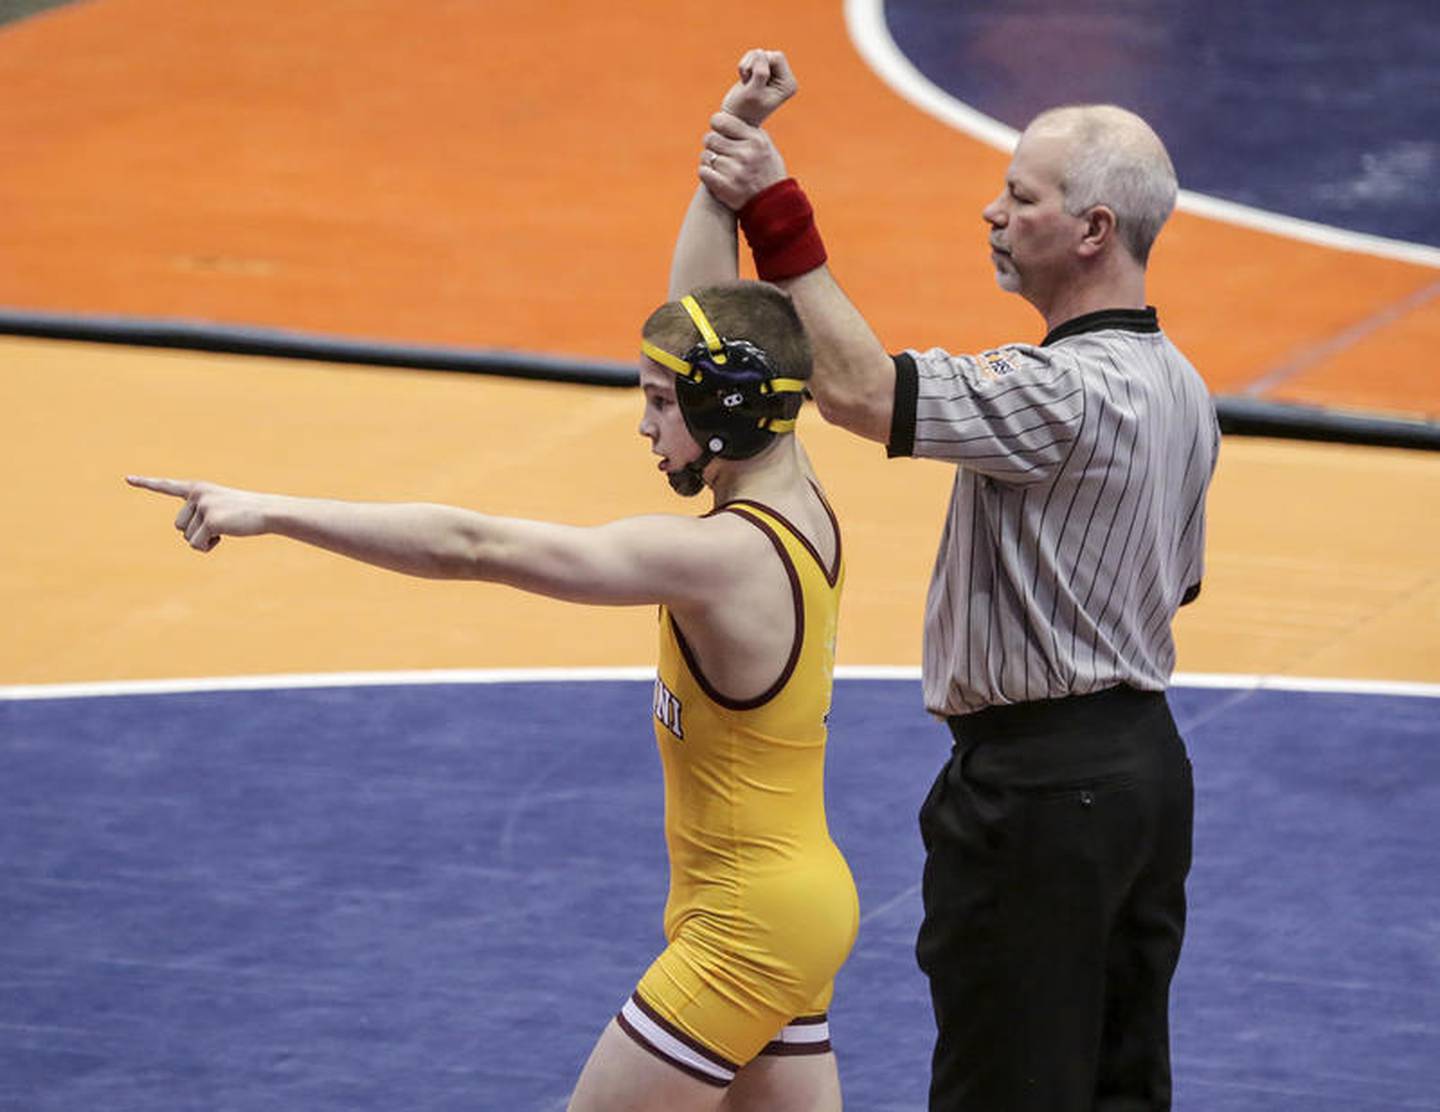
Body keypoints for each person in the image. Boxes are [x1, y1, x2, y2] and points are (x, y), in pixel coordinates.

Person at [127, 164, 861, 1108]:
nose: (643, 426)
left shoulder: (717, 559)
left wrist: (272, 509)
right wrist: (721, 178)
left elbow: (474, 547)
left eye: (658, 402)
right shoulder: (804, 502)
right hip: (793, 906)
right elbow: (706, 318)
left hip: (746, 929)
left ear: (724, 408)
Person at [697, 50, 1219, 1112]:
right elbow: (1177, 583)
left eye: (1020, 197)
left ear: (1094, 230)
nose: (992, 212)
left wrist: (774, 208)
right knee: (1120, 1083)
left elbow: (856, 390)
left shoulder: (1060, 390)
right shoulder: (1185, 387)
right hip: (1147, 776)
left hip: (1040, 795)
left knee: (1003, 1085)